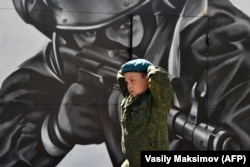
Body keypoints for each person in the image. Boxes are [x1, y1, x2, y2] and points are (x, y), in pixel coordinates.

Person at [1, 0, 250, 166]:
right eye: (89, 32)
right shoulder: (70, 50)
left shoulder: (222, 44)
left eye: (124, 25)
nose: (108, 48)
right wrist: (54, 132)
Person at [117, 59, 173, 167]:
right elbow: (120, 76)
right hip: (132, 161)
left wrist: (150, 69)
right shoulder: (129, 99)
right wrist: (127, 71)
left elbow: (159, 78)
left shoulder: (156, 103)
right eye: (127, 82)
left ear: (148, 80)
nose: (129, 86)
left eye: (132, 81)